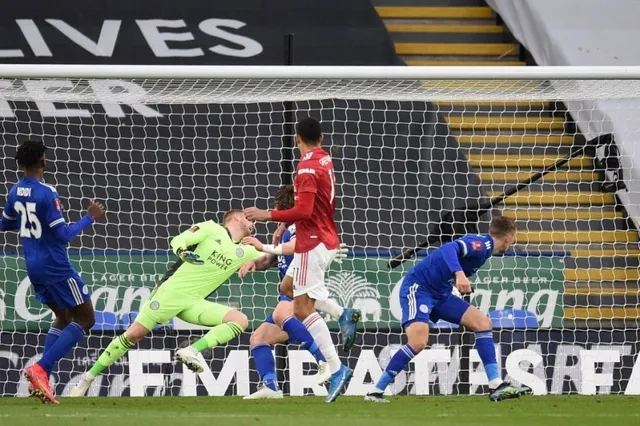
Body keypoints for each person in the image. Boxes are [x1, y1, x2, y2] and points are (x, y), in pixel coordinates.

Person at [71, 210, 263, 397]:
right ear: (237, 217)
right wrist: (182, 251)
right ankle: (87, 378)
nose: (253, 223)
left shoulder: (247, 250)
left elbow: (272, 256)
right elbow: (179, 240)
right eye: (249, 218)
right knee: (134, 334)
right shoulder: (211, 229)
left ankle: (191, 350)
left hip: (194, 302)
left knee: (239, 320)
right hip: (171, 293)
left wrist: (271, 241)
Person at [365, 216, 532, 402]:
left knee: (483, 323)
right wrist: (459, 275)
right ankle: (376, 391)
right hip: (419, 288)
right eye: (513, 239)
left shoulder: (484, 249)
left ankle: (495, 385)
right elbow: (448, 248)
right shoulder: (481, 244)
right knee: (418, 342)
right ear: (509, 238)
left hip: (441, 293)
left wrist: (457, 280)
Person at [245, 117, 352, 403]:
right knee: (299, 303)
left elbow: (303, 210)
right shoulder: (325, 159)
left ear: (297, 138)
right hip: (326, 237)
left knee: (299, 306)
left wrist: (269, 215)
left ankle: (336, 367)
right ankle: (341, 323)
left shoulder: (305, 166)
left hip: (312, 242)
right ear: (322, 138)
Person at [1, 140, 104, 404]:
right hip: (56, 267)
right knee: (86, 319)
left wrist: (29, 224)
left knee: (63, 315)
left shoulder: (15, 191)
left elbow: (5, 224)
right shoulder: (47, 192)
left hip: (33, 266)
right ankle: (41, 368)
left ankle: (42, 379)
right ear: (42, 162)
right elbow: (63, 235)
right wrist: (89, 217)